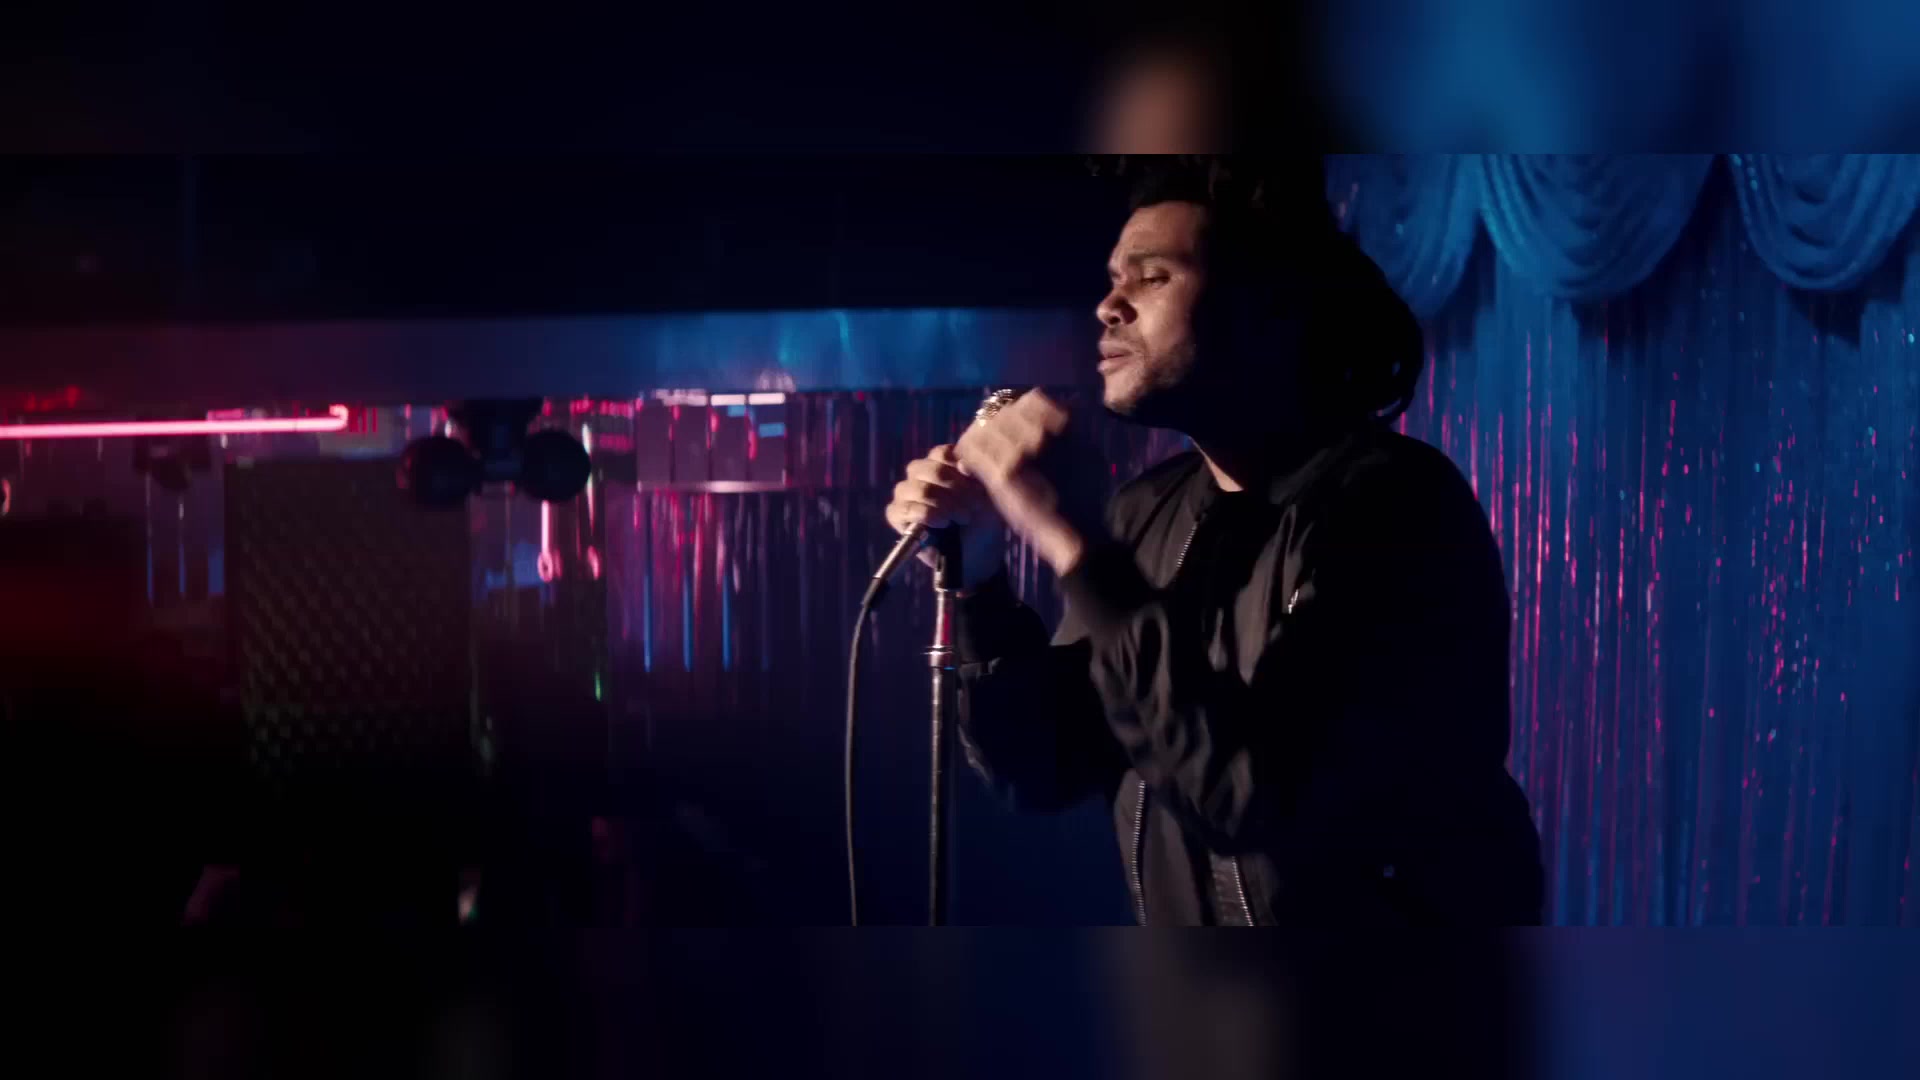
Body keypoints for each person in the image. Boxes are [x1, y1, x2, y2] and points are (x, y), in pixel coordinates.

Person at [883, 157, 1544, 925]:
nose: (1108, 306)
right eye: (1113, 279)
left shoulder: (1393, 507)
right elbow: (1046, 766)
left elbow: (1254, 795)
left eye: (1153, 277)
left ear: (1267, 309)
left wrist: (1079, 542)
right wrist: (981, 584)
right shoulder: (1146, 511)